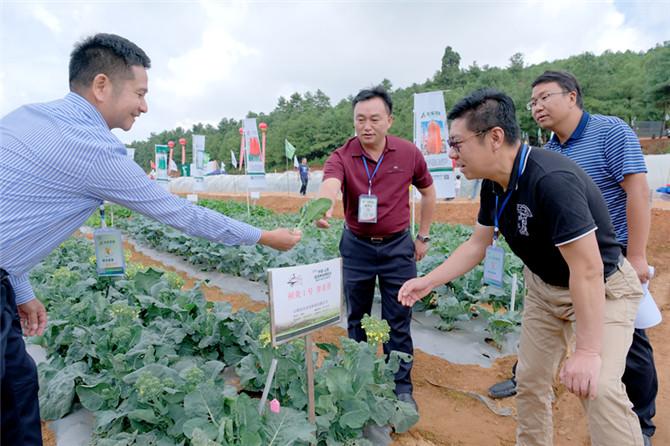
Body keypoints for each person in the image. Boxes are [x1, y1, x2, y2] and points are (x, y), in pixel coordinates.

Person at [0, 33, 301, 446]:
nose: (144, 105)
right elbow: (179, 213)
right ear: (101, 85)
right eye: (140, 93)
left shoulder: (25, 117)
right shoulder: (92, 148)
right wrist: (264, 235)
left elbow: (12, 217)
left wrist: (17, 285)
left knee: (18, 383)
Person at [399, 89, 644, 446]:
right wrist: (427, 282)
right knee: (530, 382)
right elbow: (477, 245)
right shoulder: (493, 185)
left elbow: (588, 270)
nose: (451, 154)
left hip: (601, 290)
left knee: (600, 388)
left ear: (494, 137)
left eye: (457, 144)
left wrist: (587, 352)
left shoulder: (550, 180)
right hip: (545, 291)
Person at [489, 70, 658, 446]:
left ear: (572, 96)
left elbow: (638, 191)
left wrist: (638, 255)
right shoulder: (547, 152)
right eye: (532, 103)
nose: (537, 107)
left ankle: (641, 423)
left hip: (611, 262)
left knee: (628, 347)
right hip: (562, 269)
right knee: (552, 342)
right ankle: (527, 377)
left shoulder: (609, 131)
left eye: (545, 97)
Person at [316, 86, 436, 410]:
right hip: (357, 248)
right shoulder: (343, 155)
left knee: (400, 317)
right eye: (359, 119)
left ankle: (401, 385)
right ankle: (362, 381)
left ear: (389, 120)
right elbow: (330, 183)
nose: (366, 126)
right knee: (357, 318)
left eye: (374, 119)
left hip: (398, 248)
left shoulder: (408, 153)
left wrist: (422, 236)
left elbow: (429, 192)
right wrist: (324, 205)